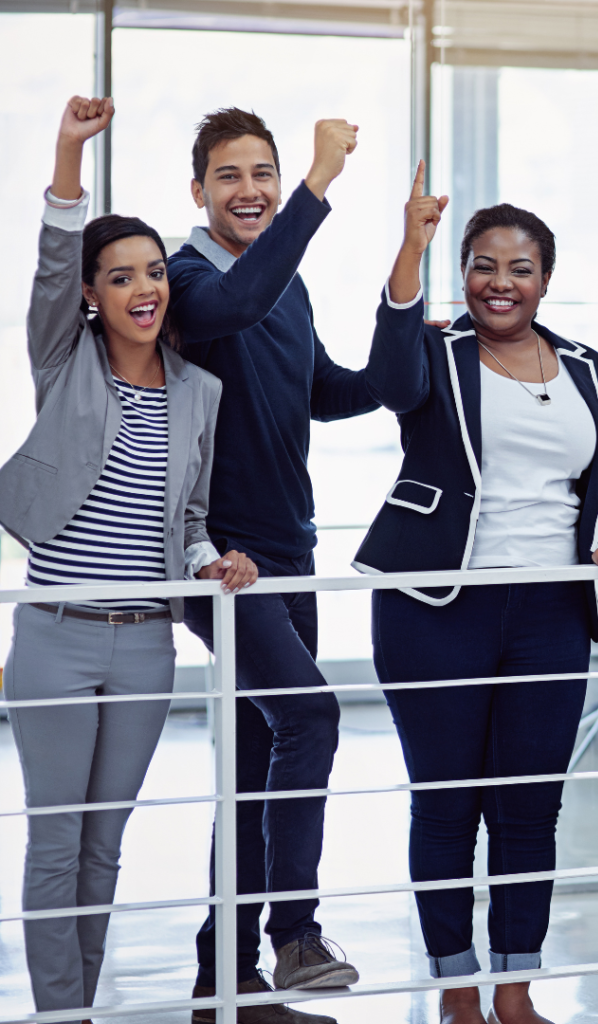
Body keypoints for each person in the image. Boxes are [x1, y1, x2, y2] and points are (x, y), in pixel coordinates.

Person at [350, 161, 598, 1024]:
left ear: (545, 280)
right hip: (436, 606)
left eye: (520, 268)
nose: (500, 283)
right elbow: (388, 375)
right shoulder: (435, 354)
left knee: (529, 809)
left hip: (551, 612)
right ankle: (456, 991)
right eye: (484, 264)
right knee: (447, 804)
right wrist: (411, 245)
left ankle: (515, 989)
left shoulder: (588, 367)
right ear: (463, 272)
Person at [0, 96, 256, 1022]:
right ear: (92, 296)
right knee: (54, 844)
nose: (144, 287)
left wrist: (213, 559)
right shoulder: (64, 364)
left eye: (154, 272)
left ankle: (83, 1004)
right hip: (55, 640)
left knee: (105, 844)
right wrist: (69, 149)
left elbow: (186, 519)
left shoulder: (200, 392)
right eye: (121, 277)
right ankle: (59, 1013)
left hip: (147, 645)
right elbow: (50, 261)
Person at [167, 107, 403, 1020]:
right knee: (310, 716)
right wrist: (318, 181)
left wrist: (406, 324)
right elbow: (236, 306)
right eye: (231, 175)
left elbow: (332, 391)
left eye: (264, 173)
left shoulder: (285, 287)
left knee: (265, 755)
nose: (252, 189)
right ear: (200, 192)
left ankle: (221, 969)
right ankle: (294, 936)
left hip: (292, 554)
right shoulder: (188, 279)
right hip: (222, 557)